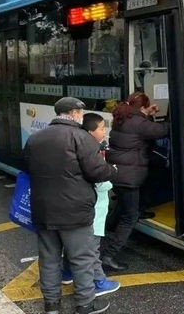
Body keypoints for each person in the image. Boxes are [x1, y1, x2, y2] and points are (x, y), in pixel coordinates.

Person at [23, 97, 118, 314]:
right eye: (81, 113)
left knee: (49, 259)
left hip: (44, 210)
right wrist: (112, 170)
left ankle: (51, 305)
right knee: (81, 259)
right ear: (74, 113)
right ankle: (85, 305)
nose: (82, 117)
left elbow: (26, 166)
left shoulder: (35, 138)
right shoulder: (81, 137)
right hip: (75, 212)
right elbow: (96, 171)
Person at [102, 92, 169, 271]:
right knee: (129, 218)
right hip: (128, 177)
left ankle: (114, 224)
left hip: (117, 172)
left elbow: (144, 129)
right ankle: (108, 255)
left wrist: (147, 114)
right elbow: (162, 130)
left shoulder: (123, 117)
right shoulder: (139, 122)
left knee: (127, 204)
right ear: (142, 107)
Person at [61, 113, 120, 298]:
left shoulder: (74, 148)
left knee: (75, 244)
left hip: (76, 208)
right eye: (102, 128)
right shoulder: (90, 153)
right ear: (90, 132)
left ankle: (67, 273)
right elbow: (100, 182)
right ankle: (98, 282)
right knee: (90, 249)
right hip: (92, 210)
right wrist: (111, 173)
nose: (105, 132)